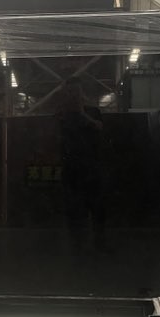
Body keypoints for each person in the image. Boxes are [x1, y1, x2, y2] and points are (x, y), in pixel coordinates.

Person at [58, 76, 108, 252]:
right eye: (70, 92)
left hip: (91, 167)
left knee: (97, 208)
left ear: (82, 93)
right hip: (72, 169)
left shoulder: (92, 112)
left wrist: (82, 114)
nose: (74, 95)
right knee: (74, 210)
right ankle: (77, 245)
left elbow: (99, 127)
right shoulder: (62, 115)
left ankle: (98, 243)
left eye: (76, 91)